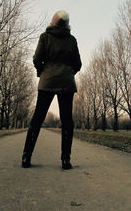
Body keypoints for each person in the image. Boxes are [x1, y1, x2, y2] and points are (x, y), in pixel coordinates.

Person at [22, 10, 82, 170]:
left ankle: (26, 157)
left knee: (37, 119)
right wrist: (68, 72)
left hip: (47, 81)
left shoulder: (45, 37)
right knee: (67, 122)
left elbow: (36, 59)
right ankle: (65, 160)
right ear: (67, 24)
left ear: (53, 22)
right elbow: (78, 64)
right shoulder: (71, 40)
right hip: (66, 83)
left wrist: (42, 71)